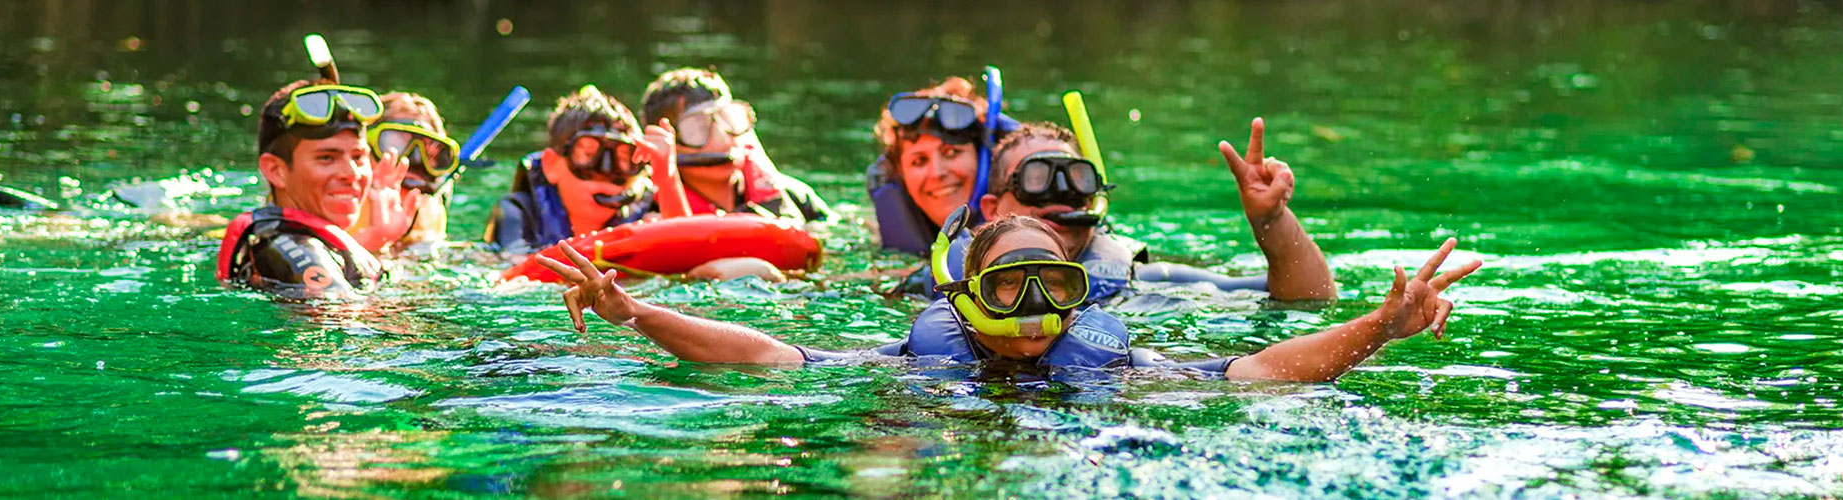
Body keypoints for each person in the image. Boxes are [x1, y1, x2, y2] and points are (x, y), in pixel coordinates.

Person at [535, 215, 1480, 380]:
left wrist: (1381, 326)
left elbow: (1264, 371)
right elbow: (760, 351)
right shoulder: (921, 360)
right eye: (1009, 283)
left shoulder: (1114, 362)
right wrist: (634, 312)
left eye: (1055, 282)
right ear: (964, 293)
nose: (1033, 304)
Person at [902, 119, 1335, 303]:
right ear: (993, 210)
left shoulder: (1138, 280)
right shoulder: (942, 286)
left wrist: (1271, 221)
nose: (1062, 195)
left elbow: (1307, 299)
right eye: (1037, 179)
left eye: (1077, 179)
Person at [215, 79, 384, 298]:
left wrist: (381, 242)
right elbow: (341, 322)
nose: (352, 173)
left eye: (358, 157)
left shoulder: (286, 240)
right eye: (326, 158)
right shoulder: (294, 250)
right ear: (276, 170)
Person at [638, 68, 833, 222]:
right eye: (697, 129)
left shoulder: (795, 198)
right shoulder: (646, 212)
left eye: (728, 118)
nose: (722, 137)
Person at [484, 85, 657, 254]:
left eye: (623, 159)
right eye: (589, 155)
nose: (606, 172)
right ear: (551, 165)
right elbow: (510, 268)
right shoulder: (518, 213)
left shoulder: (651, 212)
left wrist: (668, 177)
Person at [865, 76, 1018, 255]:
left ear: (987, 160)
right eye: (919, 161)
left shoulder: (1032, 232)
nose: (937, 173)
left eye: (952, 153)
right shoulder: (871, 249)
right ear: (901, 174)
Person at [350, 91, 460, 254]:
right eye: (395, 144)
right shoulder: (341, 205)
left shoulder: (429, 210)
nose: (413, 160)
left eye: (429, 151)